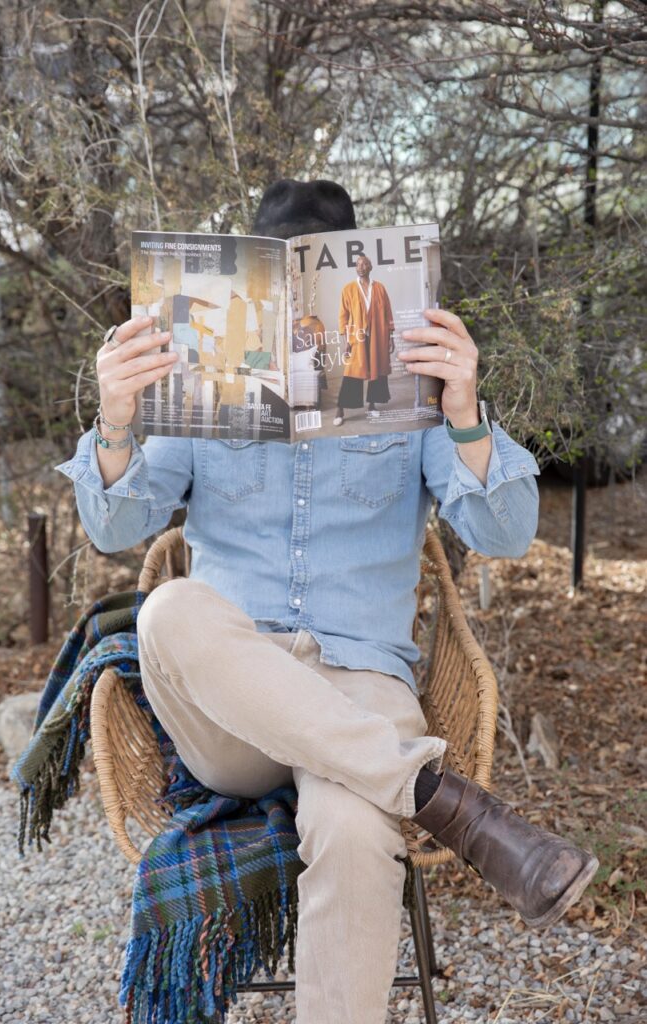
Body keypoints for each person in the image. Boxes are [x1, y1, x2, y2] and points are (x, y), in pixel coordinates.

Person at [57, 178, 598, 1024]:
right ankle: (436, 797)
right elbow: (114, 525)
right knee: (167, 610)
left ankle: (404, 792)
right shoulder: (203, 393)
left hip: (362, 680)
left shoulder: (411, 394)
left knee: (351, 830)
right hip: (229, 711)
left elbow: (503, 534)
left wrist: (464, 413)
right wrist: (118, 418)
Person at [334, 253, 394, 426]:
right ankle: (340, 409)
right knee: (352, 372)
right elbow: (343, 317)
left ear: (370, 267)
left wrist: (391, 338)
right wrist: (346, 341)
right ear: (356, 268)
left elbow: (388, 312)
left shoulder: (380, 288)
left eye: (364, 264)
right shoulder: (348, 289)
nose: (361, 267)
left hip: (378, 335)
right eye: (358, 264)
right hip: (356, 337)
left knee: (376, 369)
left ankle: (372, 405)